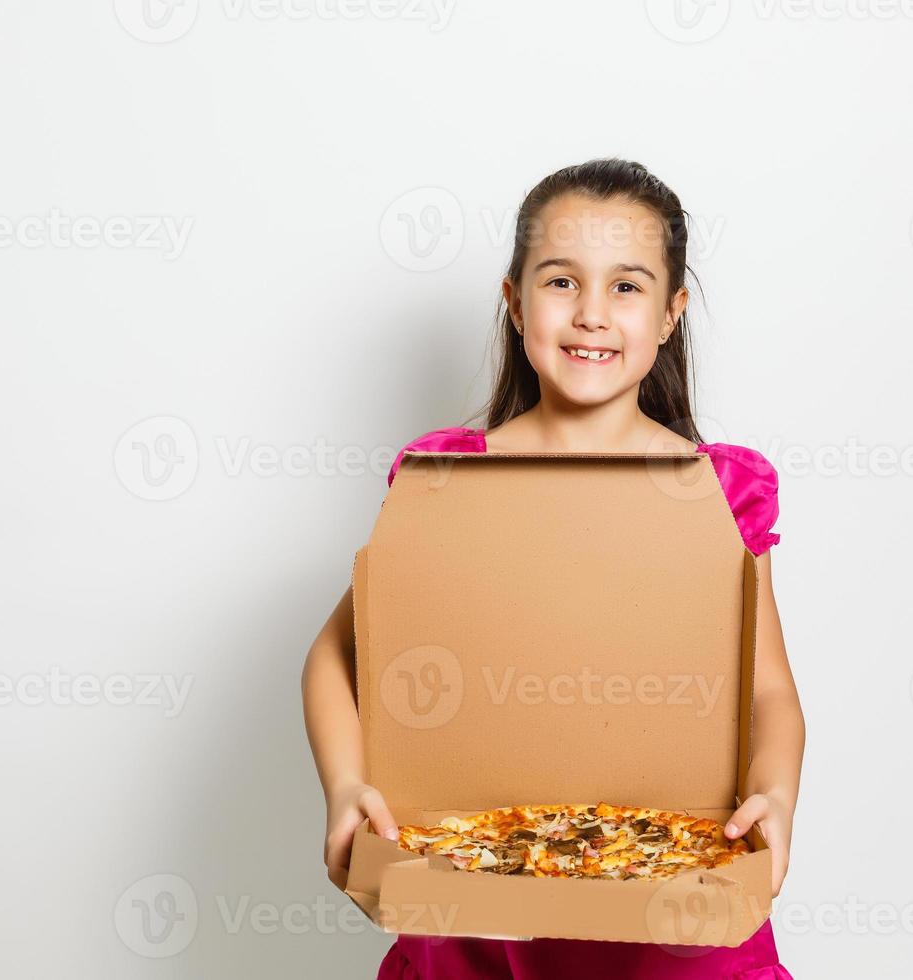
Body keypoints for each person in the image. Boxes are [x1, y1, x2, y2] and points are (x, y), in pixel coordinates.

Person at [302, 157, 804, 978]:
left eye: (628, 287)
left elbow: (771, 690)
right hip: (472, 905)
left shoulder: (721, 489)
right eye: (562, 282)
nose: (592, 315)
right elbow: (333, 653)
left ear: (674, 313)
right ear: (515, 300)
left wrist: (776, 798)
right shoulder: (445, 479)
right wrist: (346, 786)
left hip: (677, 902)